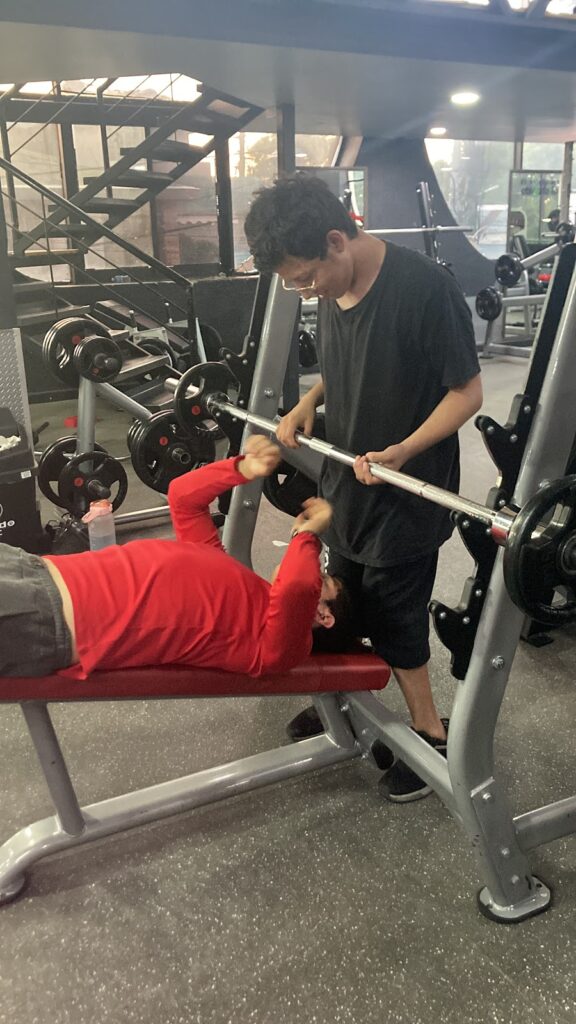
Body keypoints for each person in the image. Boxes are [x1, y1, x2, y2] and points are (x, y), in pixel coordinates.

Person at [244, 174, 483, 802]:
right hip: (347, 485)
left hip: (406, 490)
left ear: (336, 239)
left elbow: (467, 392)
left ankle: (430, 733)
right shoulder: (334, 284)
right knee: (341, 603)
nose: (304, 290)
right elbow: (345, 362)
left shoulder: (425, 289)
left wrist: (404, 449)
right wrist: (309, 401)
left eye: (305, 278)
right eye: (293, 283)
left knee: (396, 618)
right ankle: (347, 703)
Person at [0, 436, 348, 680]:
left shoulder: (277, 648)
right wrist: (243, 468)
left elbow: (296, 587)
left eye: (324, 579)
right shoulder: (229, 570)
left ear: (324, 615)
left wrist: (307, 536)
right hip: (32, 567)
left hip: (44, 616)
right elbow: (183, 498)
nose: (315, 572)